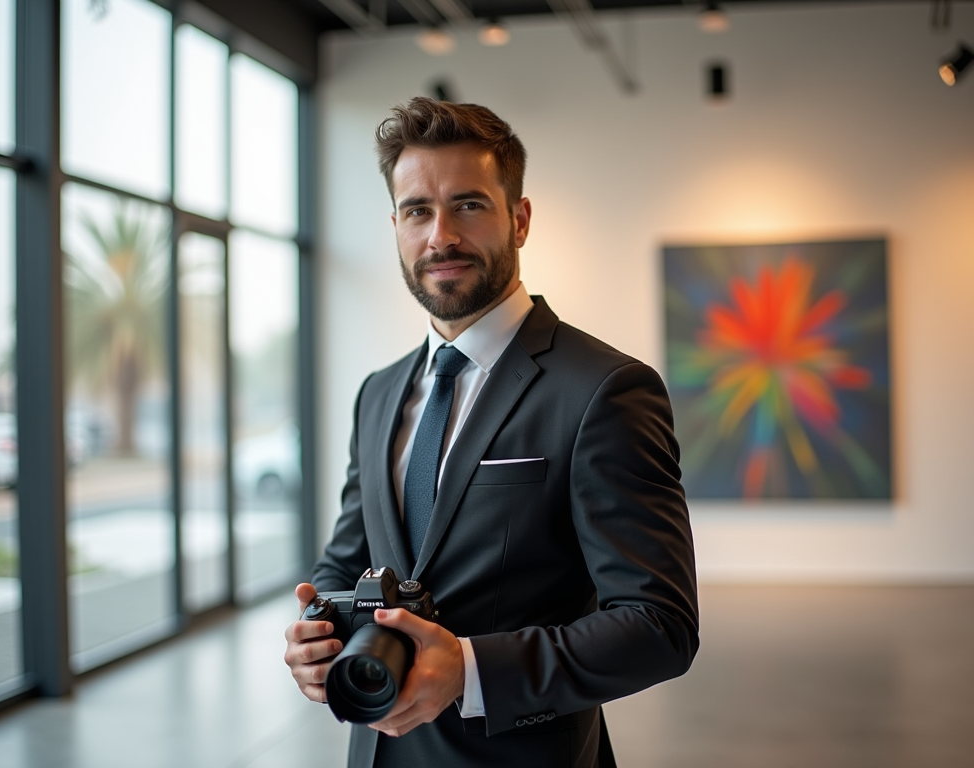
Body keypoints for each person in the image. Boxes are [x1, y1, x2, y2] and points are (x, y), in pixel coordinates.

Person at [284, 97, 698, 768]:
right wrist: (317, 634)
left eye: (468, 205)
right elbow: (347, 559)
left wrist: (471, 669)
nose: (440, 235)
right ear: (395, 225)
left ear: (520, 218)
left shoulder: (604, 389)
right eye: (417, 210)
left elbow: (659, 626)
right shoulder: (378, 393)